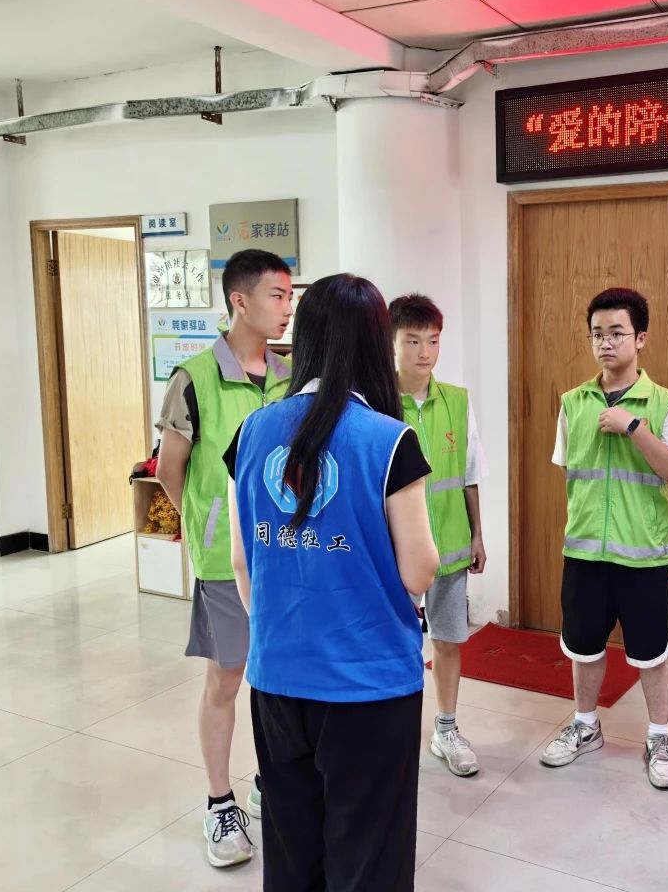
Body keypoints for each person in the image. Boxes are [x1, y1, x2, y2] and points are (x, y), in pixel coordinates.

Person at [227, 273, 438, 892]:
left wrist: (276, 630)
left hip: (276, 677)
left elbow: (242, 561)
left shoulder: (252, 432)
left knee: (292, 851)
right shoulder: (389, 440)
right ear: (377, 344)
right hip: (368, 682)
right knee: (367, 857)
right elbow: (419, 568)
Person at [155, 248, 294, 868]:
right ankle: (219, 803)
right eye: (276, 296)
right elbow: (170, 470)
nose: (287, 309)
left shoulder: (291, 374)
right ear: (240, 300)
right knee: (227, 677)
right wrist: (209, 522)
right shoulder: (194, 378)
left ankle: (268, 782)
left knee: (278, 676)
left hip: (289, 554)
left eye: (290, 297)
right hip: (224, 560)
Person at [541, 287, 668, 789]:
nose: (606, 343)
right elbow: (571, 471)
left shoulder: (665, 403)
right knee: (583, 647)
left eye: (617, 333)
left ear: (640, 338)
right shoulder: (572, 403)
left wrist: (635, 428)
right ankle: (585, 726)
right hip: (585, 550)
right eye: (597, 334)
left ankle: (659, 738)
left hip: (644, 555)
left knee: (652, 653)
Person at [389, 293, 488, 778]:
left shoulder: (457, 401)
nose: (424, 352)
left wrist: (477, 535)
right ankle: (395, 733)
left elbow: (469, 475)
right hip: (395, 554)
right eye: (413, 341)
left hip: (449, 547)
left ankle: (446, 729)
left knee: (448, 641)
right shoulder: (377, 403)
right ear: (392, 343)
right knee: (398, 645)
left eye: (432, 340)